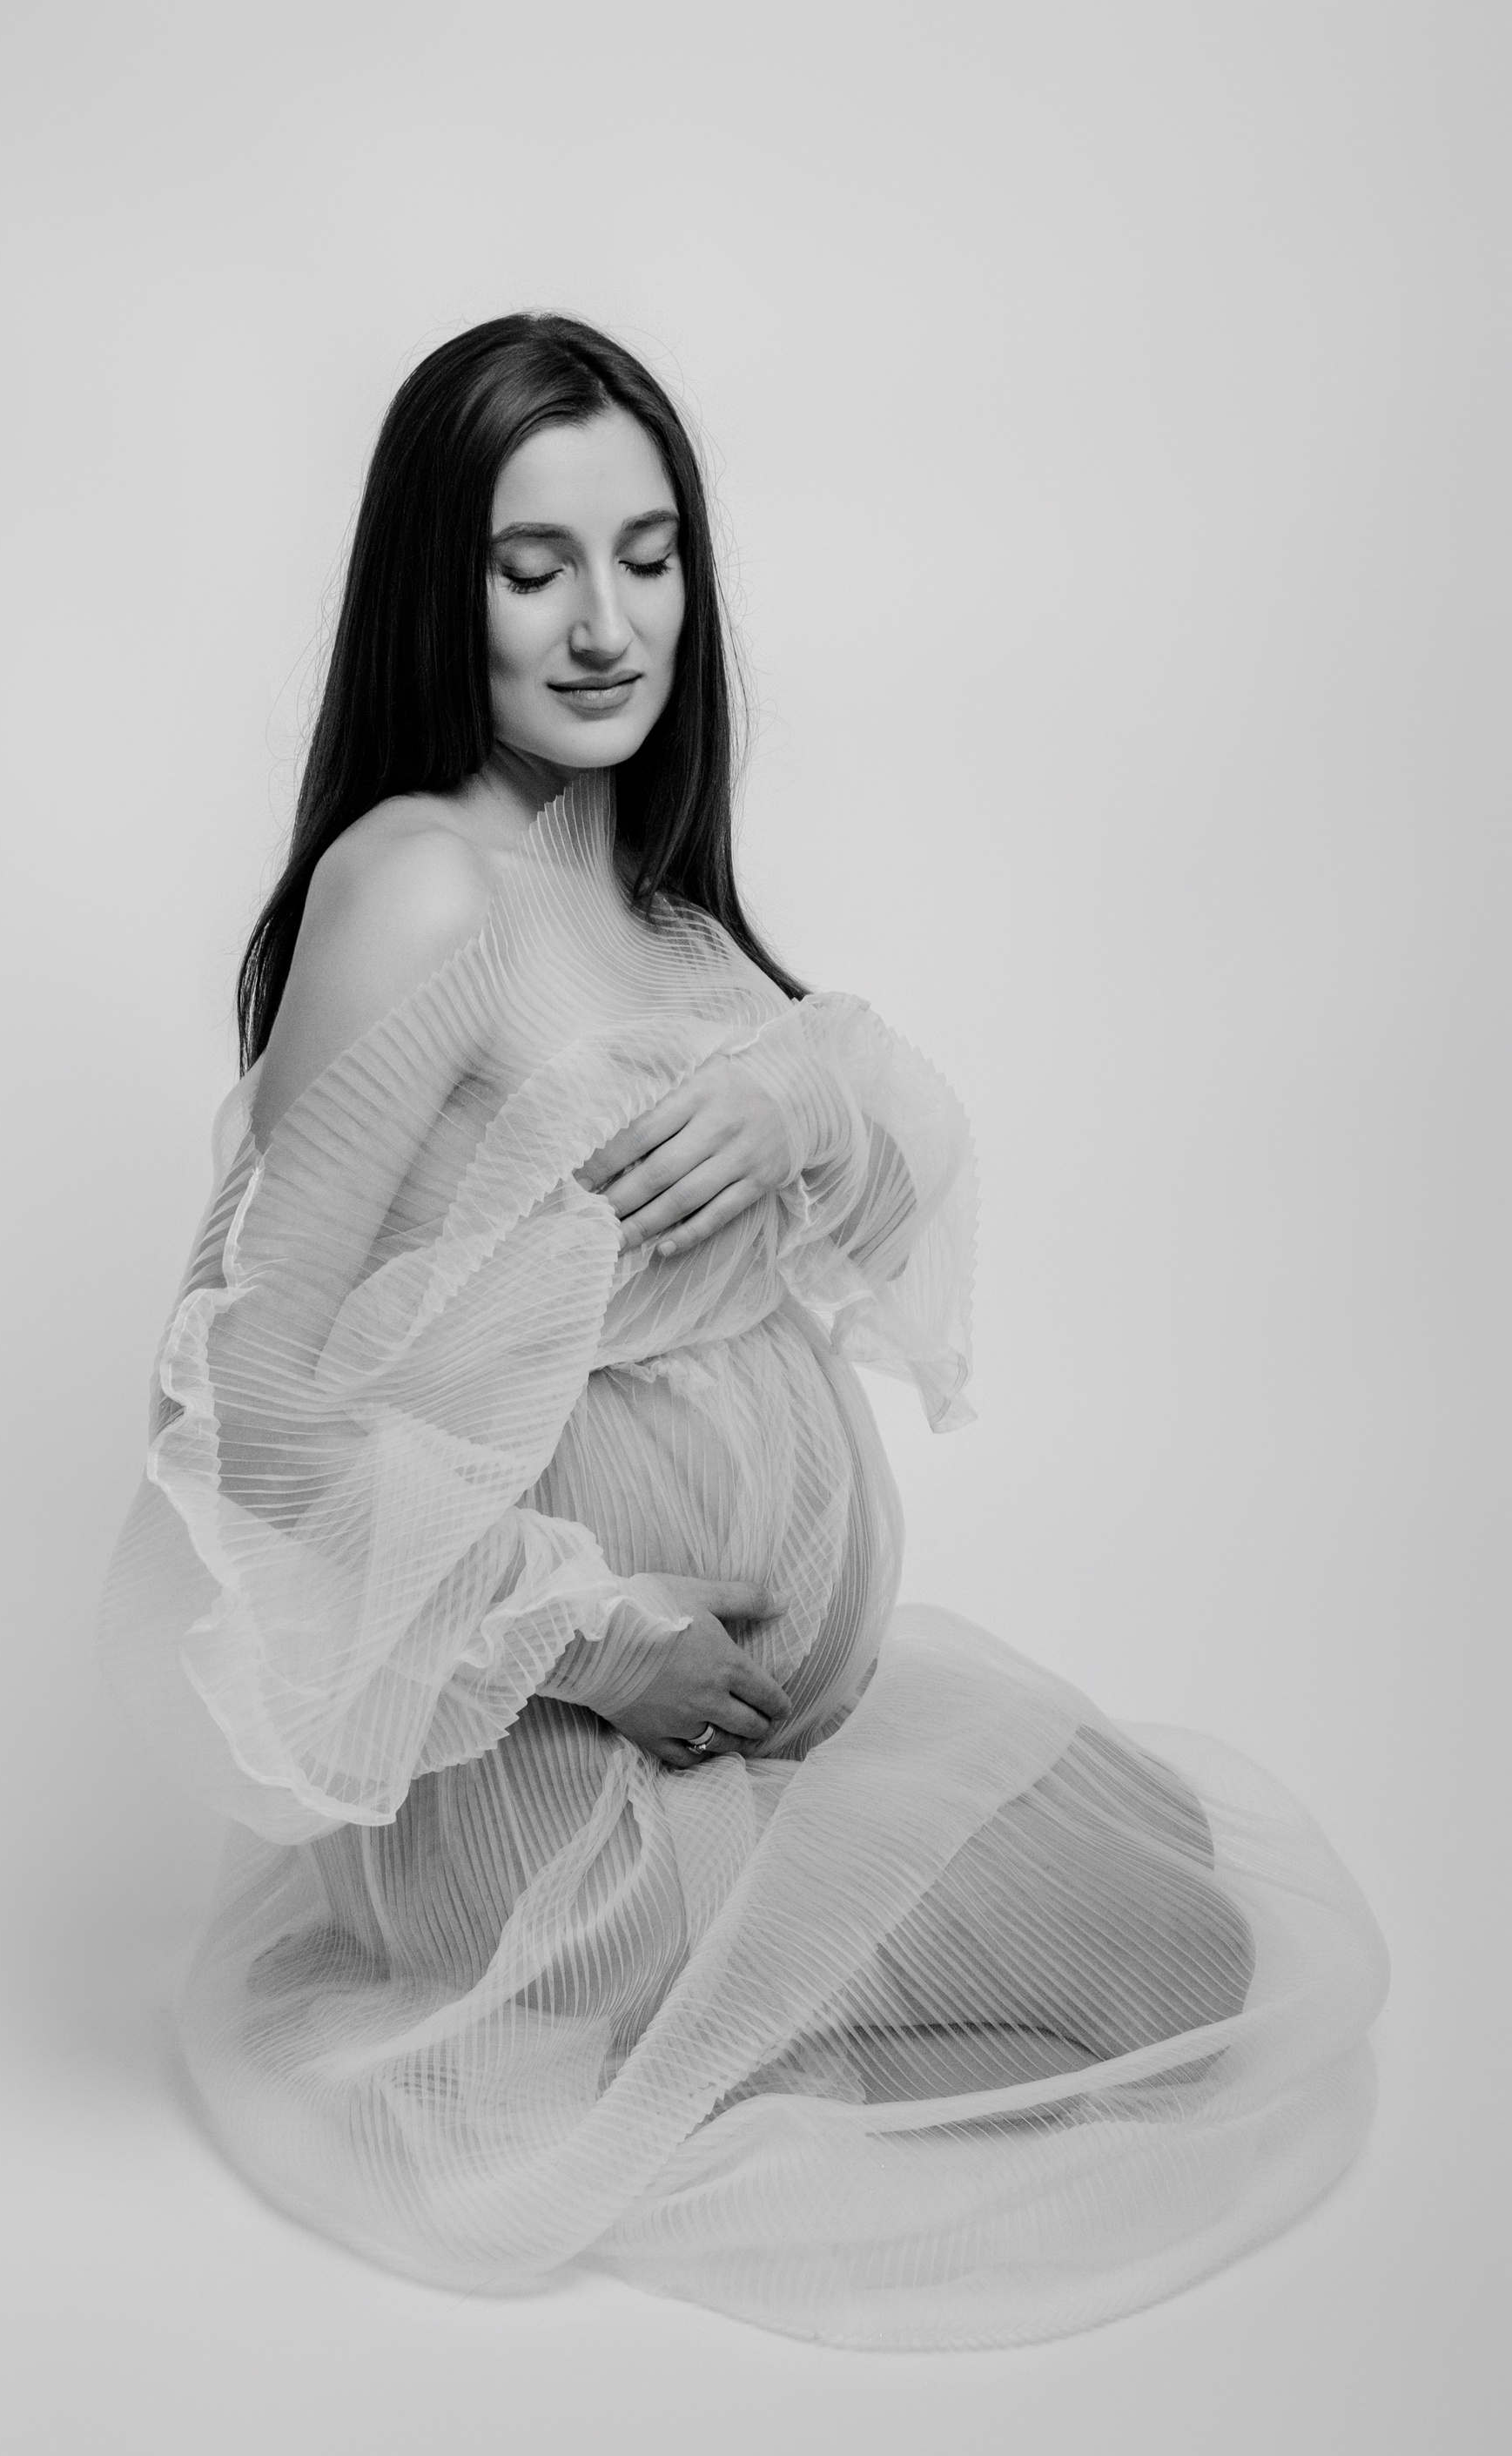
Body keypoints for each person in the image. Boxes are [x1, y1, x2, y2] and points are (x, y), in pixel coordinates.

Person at [98, 313, 1388, 2347]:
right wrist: (598, 1640)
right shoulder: (422, 886)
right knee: (1182, 1979)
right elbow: (241, 1415)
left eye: (649, 555)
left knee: (1183, 1874)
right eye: (535, 568)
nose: (606, 624)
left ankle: (710, 2024)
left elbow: (875, 1224)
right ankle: (658, 2069)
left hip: (745, 1728)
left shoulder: (655, 911)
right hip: (546, 1776)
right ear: (436, 585)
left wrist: (809, 1095)